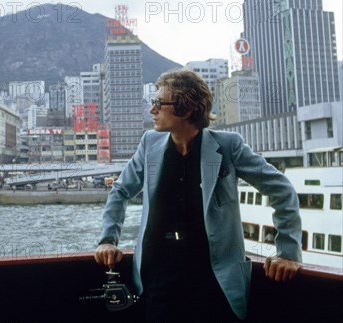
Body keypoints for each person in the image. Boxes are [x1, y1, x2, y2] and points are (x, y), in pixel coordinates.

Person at [94, 69, 302, 322]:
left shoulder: (228, 146)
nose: (152, 110)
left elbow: (282, 189)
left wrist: (288, 251)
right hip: (159, 277)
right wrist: (107, 240)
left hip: (216, 279)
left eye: (160, 103)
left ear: (187, 106)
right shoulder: (150, 144)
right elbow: (121, 190)